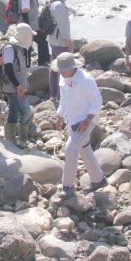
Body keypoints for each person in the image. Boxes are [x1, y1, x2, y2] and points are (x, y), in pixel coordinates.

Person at [54, 52, 106, 198]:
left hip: (86, 118)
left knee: (70, 149)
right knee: (84, 148)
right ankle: (99, 179)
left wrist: (88, 121)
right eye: (61, 70)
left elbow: (97, 101)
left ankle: (68, 187)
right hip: (72, 119)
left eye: (66, 69)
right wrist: (59, 115)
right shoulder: (63, 77)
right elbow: (64, 98)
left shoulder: (86, 80)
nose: (63, 73)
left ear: (73, 67)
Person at [1, 23, 34, 149]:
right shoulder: (10, 48)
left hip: (16, 87)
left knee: (13, 113)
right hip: (13, 88)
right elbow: (8, 69)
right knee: (26, 111)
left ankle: (9, 140)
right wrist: (18, 86)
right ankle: (22, 140)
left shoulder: (19, 48)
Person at [48, 0, 75, 103]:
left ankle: (53, 94)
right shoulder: (59, 5)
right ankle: (60, 97)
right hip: (60, 42)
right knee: (64, 69)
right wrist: (69, 41)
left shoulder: (52, 3)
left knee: (54, 67)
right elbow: (63, 26)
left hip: (53, 40)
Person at [19, 0, 50, 66]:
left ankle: (43, 62)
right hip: (27, 26)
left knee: (42, 40)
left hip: (33, 26)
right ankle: (27, 65)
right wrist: (28, 28)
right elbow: (24, 11)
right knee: (27, 46)